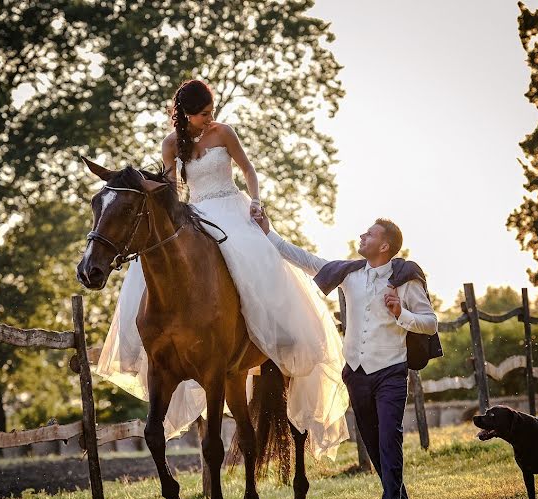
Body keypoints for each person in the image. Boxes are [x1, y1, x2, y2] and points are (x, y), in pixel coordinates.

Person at [94, 79, 350, 460]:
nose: (209, 120)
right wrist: (132, 182)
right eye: (203, 115)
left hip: (233, 208)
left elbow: (248, 171)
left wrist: (257, 202)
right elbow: (169, 187)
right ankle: (149, 346)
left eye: (211, 113)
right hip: (195, 213)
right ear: (185, 115)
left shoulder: (224, 134)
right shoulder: (171, 144)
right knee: (145, 275)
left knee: (256, 261)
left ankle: (275, 334)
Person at [254, 211, 439, 499]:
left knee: (388, 437)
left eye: (370, 234)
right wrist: (270, 233)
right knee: (371, 439)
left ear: (385, 245)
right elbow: (306, 259)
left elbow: (430, 322)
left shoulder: (405, 279)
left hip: (391, 372)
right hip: (356, 373)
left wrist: (401, 313)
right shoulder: (350, 274)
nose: (362, 236)